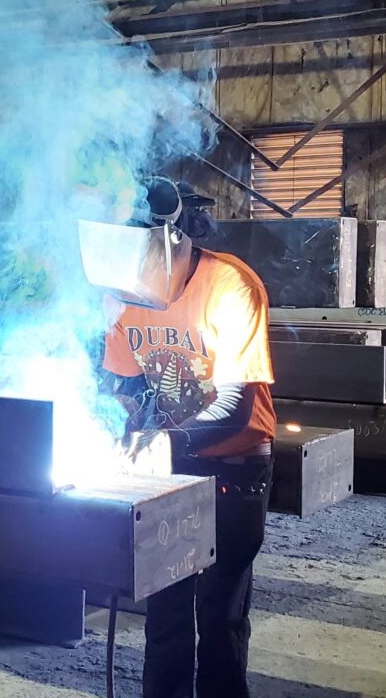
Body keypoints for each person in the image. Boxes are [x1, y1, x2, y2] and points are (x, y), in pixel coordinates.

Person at [78, 178, 277, 698]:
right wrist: (113, 416)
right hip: (164, 469)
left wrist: (166, 442)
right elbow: (126, 382)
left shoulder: (231, 286)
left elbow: (236, 407)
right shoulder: (125, 292)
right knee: (164, 616)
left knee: (219, 614)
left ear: (172, 238)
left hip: (234, 467)